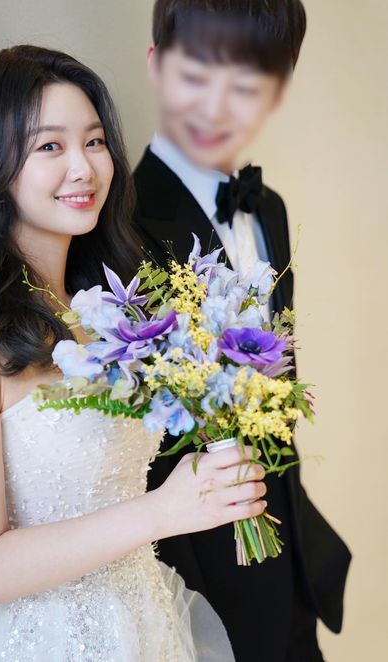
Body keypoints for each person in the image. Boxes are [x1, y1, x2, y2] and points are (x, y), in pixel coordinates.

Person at [0, 44, 271, 661]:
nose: (84, 168)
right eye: (50, 146)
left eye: (94, 142)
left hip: (145, 625)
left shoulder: (114, 312)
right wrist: (163, 512)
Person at [132, 2, 352, 661]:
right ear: (157, 65)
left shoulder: (270, 210)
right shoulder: (124, 224)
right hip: (203, 588)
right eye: (198, 75)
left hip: (294, 562)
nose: (219, 106)